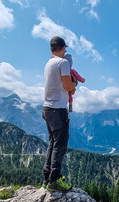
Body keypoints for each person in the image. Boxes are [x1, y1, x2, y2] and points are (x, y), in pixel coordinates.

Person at [41, 36, 77, 192]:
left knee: (52, 143)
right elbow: (68, 86)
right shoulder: (63, 63)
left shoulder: (48, 63)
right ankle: (54, 180)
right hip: (58, 109)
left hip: (47, 108)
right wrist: (75, 83)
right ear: (63, 48)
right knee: (60, 144)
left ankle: (47, 177)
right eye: (65, 49)